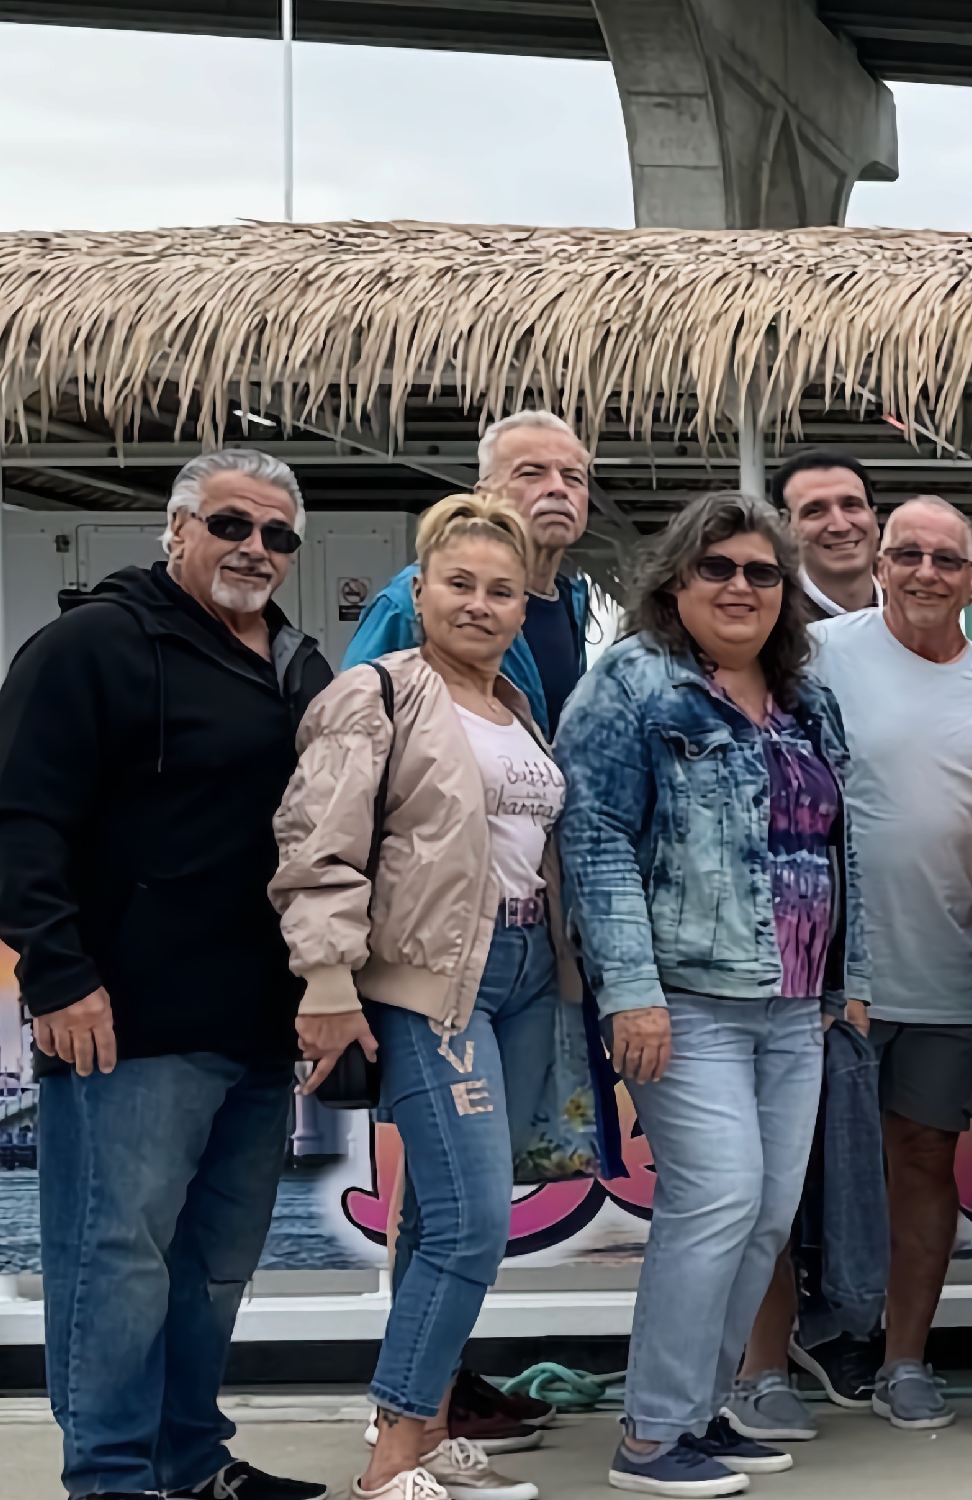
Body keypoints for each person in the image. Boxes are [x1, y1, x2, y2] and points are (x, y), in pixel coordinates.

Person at [0, 449, 334, 1500]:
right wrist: (58, 977)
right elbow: (18, 821)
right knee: (114, 1264)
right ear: (175, 530)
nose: (253, 550)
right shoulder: (91, 646)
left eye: (276, 536)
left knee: (215, 1266)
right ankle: (110, 1478)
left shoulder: (300, 666)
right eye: (230, 525)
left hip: (262, 1026)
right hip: (125, 1021)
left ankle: (191, 1461)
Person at [557, 491, 867, 1498]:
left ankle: (698, 1409)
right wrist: (630, 993)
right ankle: (650, 1436)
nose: (740, 588)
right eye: (717, 569)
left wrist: (841, 979)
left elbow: (833, 843)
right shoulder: (633, 684)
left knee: (767, 1214)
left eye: (761, 573)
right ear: (675, 581)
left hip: (794, 999)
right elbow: (595, 844)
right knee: (716, 1198)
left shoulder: (802, 697)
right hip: (686, 998)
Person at [272, 494, 573, 1500]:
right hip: (434, 984)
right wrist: (324, 981)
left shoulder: (514, 708)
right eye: (458, 585)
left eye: (501, 590)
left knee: (447, 1217)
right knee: (467, 1221)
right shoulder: (377, 693)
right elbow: (317, 849)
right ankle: (388, 1460)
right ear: (417, 590)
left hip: (527, 974)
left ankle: (433, 1431)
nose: (480, 605)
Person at [802, 497, 972, 1433]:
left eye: (947, 560)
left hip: (951, 975)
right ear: (880, 564)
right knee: (785, 1178)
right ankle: (763, 1365)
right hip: (822, 973)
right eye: (909, 554)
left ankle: (905, 1359)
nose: (927, 572)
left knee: (924, 1163)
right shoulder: (818, 653)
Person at [735, 448, 892, 1419]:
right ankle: (753, 1368)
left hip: (859, 958)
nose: (838, 521)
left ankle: (835, 1335)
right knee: (764, 1182)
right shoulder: (768, 639)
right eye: (814, 508)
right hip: (765, 960)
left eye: (852, 504)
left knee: (848, 1174)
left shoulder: (923, 629)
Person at [345, 411, 593, 735]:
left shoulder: (570, 599)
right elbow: (350, 727)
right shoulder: (413, 598)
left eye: (574, 477)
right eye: (532, 473)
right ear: (484, 494)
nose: (558, 489)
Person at [770, 448, 883, 617]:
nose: (841, 526)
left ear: (873, 517)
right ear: (786, 527)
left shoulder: (916, 615)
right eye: (814, 511)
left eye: (851, 505)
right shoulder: (769, 624)